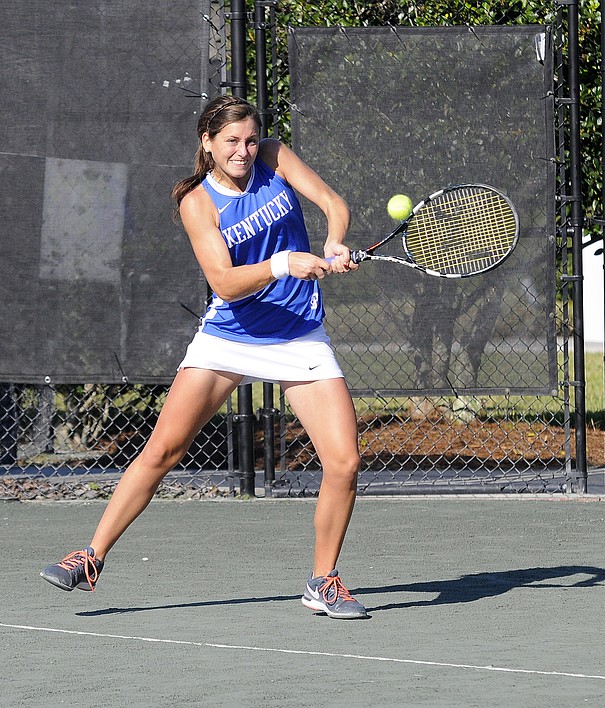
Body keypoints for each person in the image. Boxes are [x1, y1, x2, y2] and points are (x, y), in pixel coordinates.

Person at [40, 95, 368, 619]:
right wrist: (283, 263)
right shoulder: (198, 201)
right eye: (231, 141)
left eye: (250, 139)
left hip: (298, 336)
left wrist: (333, 242)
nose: (244, 150)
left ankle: (322, 581)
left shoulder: (274, 158)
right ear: (207, 143)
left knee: (344, 461)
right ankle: (90, 556)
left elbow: (333, 202)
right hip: (229, 338)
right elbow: (225, 283)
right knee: (163, 450)